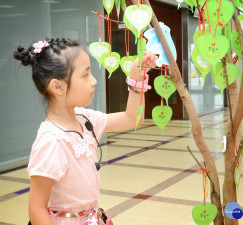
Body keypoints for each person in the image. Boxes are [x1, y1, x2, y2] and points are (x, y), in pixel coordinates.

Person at [13, 38, 157, 225]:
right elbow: (36, 209)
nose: (94, 81)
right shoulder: (51, 141)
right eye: (85, 75)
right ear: (58, 86)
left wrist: (137, 77)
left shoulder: (84, 118)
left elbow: (132, 118)